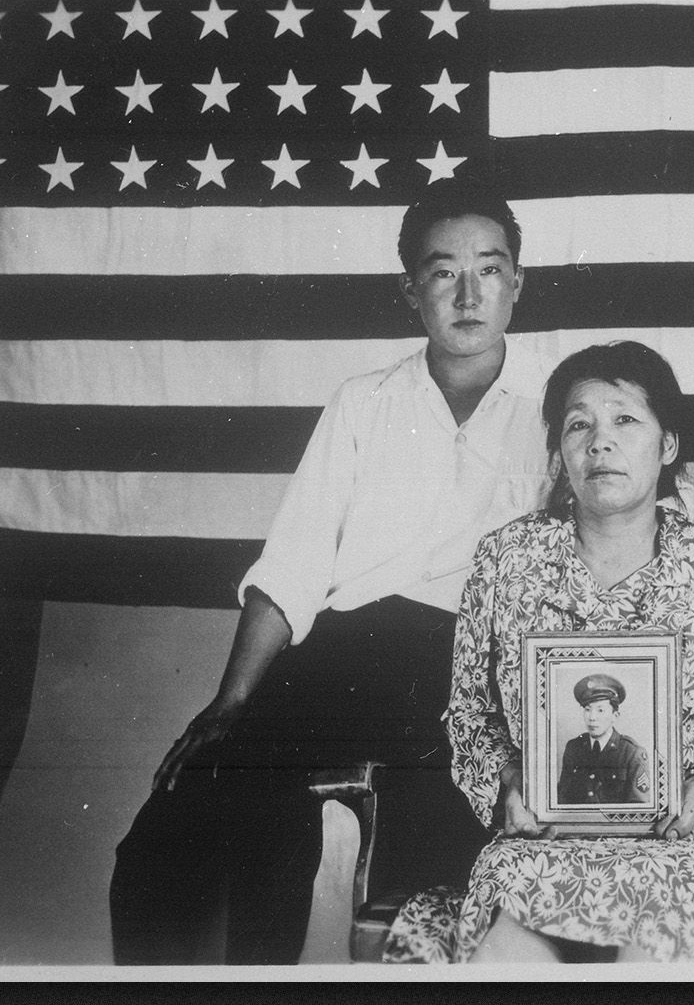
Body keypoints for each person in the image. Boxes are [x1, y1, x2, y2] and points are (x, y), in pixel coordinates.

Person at [108, 179, 552, 964]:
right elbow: (295, 562)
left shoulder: (560, 408)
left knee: (438, 875)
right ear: (410, 289)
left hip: (478, 669)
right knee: (179, 823)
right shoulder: (363, 403)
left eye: (489, 269)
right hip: (352, 658)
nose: (469, 294)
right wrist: (233, 700)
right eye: (444, 272)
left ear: (517, 281)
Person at [424, 341, 694, 963]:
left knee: (658, 932)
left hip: (685, 841)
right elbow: (469, 716)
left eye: (625, 420)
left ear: (667, 445)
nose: (601, 442)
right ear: (558, 454)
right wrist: (511, 782)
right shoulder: (504, 562)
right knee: (508, 941)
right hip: (541, 841)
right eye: (579, 425)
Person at [557, 673, 653, 805]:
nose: (592, 717)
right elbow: (562, 798)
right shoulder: (574, 748)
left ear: (615, 716)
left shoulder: (632, 754)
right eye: (587, 709)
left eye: (600, 710)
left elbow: (638, 809)